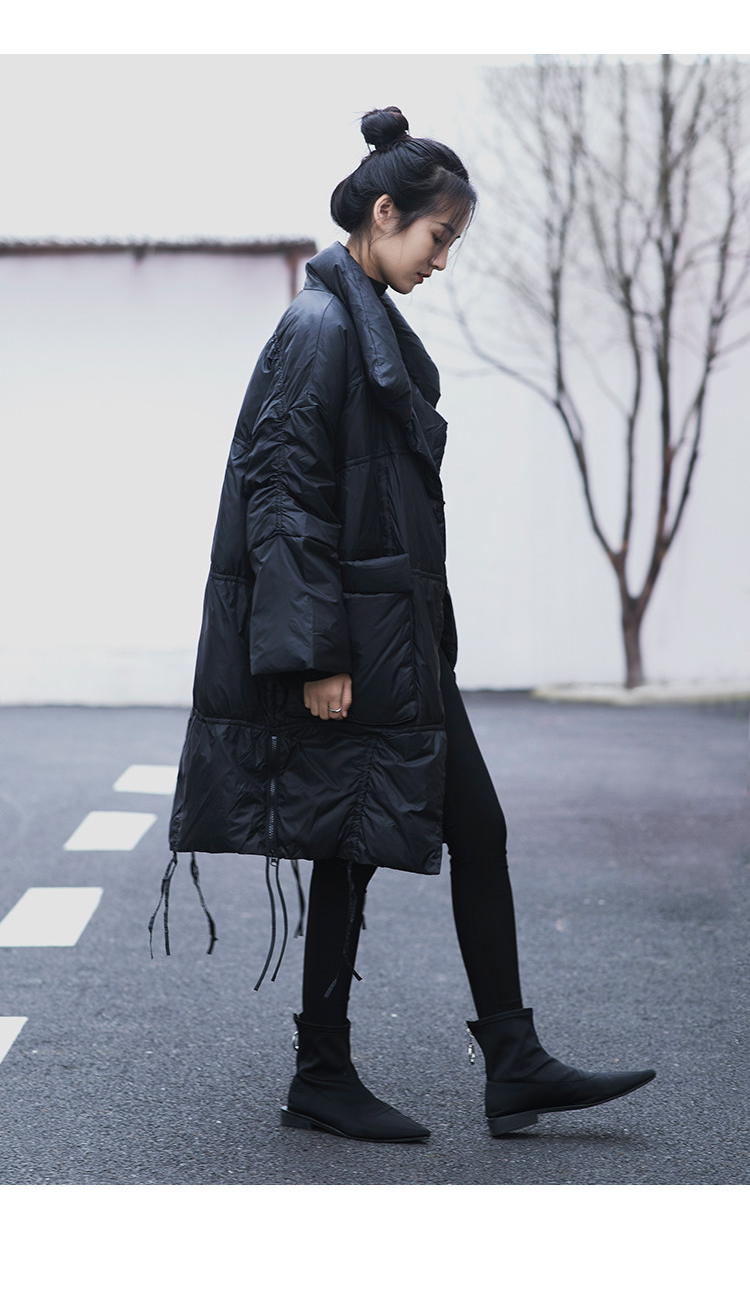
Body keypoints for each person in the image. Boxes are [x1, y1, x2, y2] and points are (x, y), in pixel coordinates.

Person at [163, 106, 655, 1142]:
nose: (442, 259)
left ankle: (508, 1061)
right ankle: (327, 1070)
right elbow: (284, 499)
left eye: (452, 242)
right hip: (351, 646)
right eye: (438, 236)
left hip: (396, 640)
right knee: (352, 841)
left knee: (465, 826)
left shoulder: (363, 324)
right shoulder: (319, 330)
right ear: (384, 213)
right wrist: (316, 656)